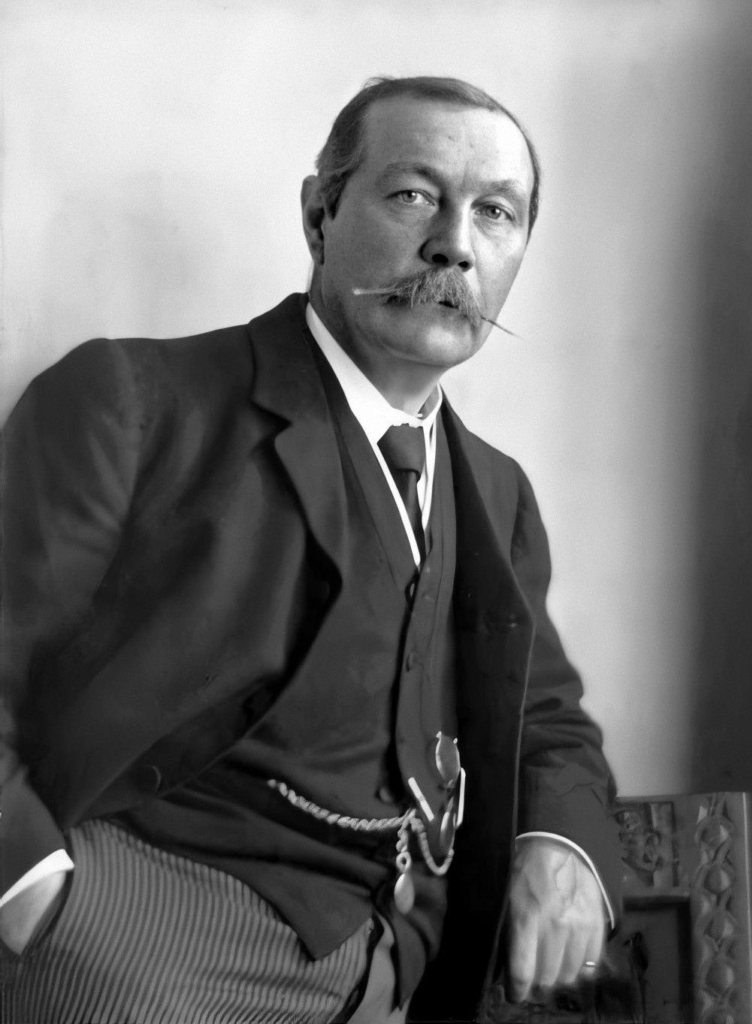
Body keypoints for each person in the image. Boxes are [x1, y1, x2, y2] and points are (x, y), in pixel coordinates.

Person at [0, 76, 622, 1023]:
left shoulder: (498, 496)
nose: (454, 241)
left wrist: (563, 847)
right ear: (318, 214)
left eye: (495, 213)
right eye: (412, 193)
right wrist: (33, 893)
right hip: (131, 948)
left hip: (400, 965)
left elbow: (547, 721)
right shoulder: (130, 400)